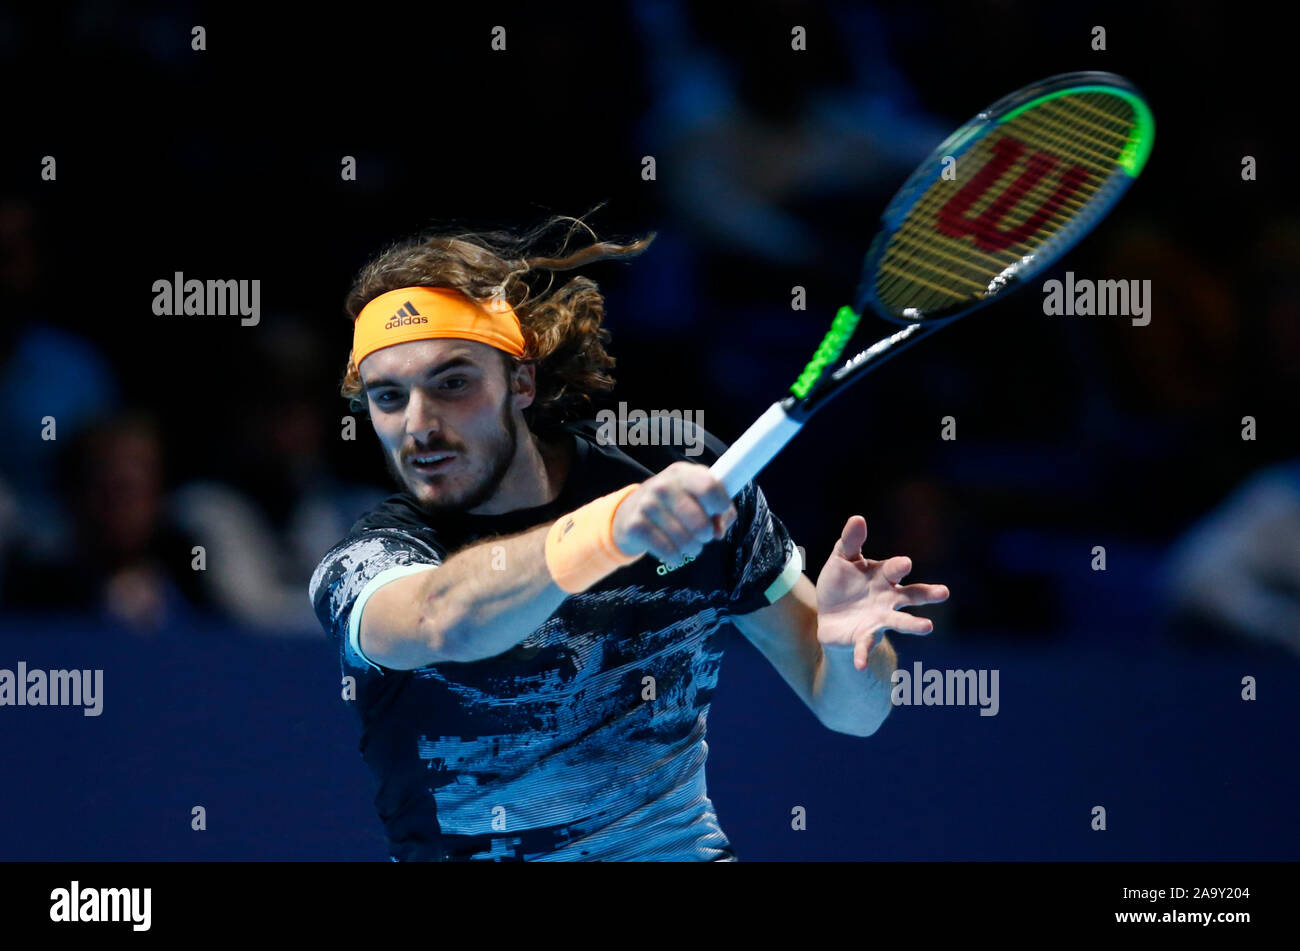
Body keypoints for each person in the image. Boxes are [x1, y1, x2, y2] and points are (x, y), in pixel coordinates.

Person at [308, 217, 949, 861]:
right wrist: (612, 528)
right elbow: (444, 621)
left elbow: (853, 713)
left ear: (521, 382)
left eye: (453, 382)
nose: (419, 425)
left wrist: (844, 652)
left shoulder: (683, 477)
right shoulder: (369, 561)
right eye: (389, 397)